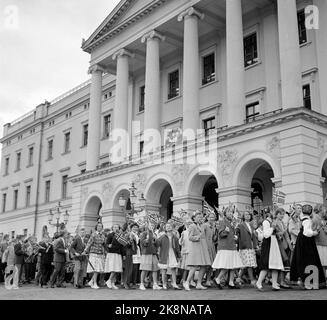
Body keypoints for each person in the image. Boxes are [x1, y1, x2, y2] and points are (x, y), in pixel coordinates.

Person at [290, 204, 326, 289]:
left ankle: (308, 282)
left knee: (305, 260)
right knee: (308, 260)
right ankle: (307, 282)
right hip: (306, 242)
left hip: (303, 241)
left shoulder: (303, 219)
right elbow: (307, 232)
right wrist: (315, 232)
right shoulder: (307, 220)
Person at [212, 208, 244, 289]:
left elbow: (230, 234)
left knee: (233, 265)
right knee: (227, 265)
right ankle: (218, 279)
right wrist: (226, 231)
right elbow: (221, 234)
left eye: (231, 212)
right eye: (229, 212)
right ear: (225, 214)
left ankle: (231, 282)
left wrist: (234, 237)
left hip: (231, 246)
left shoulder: (231, 223)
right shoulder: (222, 221)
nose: (231, 213)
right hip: (225, 246)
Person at [256, 210, 286, 291]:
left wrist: (279, 234)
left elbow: (274, 234)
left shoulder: (273, 221)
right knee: (266, 265)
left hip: (274, 243)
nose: (279, 216)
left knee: (275, 265)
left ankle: (274, 283)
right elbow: (266, 235)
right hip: (268, 244)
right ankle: (258, 282)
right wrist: (272, 227)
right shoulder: (266, 222)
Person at [183, 211, 211, 291]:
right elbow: (190, 237)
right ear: (194, 218)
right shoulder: (192, 226)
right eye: (198, 217)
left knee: (203, 265)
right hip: (195, 247)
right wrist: (197, 237)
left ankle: (199, 283)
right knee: (194, 266)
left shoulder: (202, 226)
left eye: (201, 217)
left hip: (203, 247)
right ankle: (187, 282)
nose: (200, 219)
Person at [157, 222, 181, 290]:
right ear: (165, 228)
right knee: (164, 269)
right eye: (167, 226)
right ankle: (164, 284)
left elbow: (177, 248)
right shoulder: (162, 237)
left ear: (172, 227)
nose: (168, 227)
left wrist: (179, 256)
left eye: (170, 226)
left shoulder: (175, 237)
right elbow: (157, 244)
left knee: (173, 269)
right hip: (164, 254)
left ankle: (174, 283)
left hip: (172, 254)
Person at [236, 211, 258, 287]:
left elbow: (254, 236)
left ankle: (238, 278)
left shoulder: (251, 225)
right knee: (247, 264)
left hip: (251, 246)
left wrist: (255, 245)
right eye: (246, 214)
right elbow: (237, 233)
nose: (247, 216)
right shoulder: (241, 224)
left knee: (246, 264)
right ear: (243, 216)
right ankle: (252, 280)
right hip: (244, 247)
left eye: (249, 214)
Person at [82, 222, 106, 289]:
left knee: (98, 270)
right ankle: (94, 283)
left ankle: (91, 281)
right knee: (95, 269)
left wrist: (105, 253)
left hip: (100, 254)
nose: (100, 227)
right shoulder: (93, 234)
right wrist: (85, 251)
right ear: (96, 227)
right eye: (98, 226)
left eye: (101, 226)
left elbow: (104, 245)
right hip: (94, 253)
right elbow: (89, 243)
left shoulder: (103, 235)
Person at [139, 225, 161, 290]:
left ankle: (155, 284)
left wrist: (155, 239)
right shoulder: (143, 233)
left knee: (155, 269)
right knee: (144, 269)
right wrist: (147, 239)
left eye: (152, 225)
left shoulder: (154, 233)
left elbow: (157, 244)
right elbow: (143, 244)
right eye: (150, 225)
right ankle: (141, 284)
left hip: (153, 253)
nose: (151, 226)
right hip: (146, 253)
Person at [275, 208, 292, 289]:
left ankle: (281, 280)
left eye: (283, 214)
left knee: (285, 263)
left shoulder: (282, 222)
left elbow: (286, 235)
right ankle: (280, 281)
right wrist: (282, 232)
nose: (282, 215)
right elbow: (276, 234)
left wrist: (289, 244)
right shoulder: (275, 222)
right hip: (279, 245)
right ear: (277, 214)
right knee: (284, 262)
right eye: (280, 214)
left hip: (285, 245)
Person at [105, 224, 124, 290]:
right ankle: (109, 280)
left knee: (117, 269)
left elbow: (122, 246)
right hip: (112, 253)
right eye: (114, 227)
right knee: (113, 268)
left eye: (117, 227)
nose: (116, 228)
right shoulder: (110, 235)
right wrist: (108, 246)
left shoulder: (120, 235)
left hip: (118, 253)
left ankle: (112, 283)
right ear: (112, 228)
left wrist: (123, 254)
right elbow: (106, 243)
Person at [202, 213, 217, 287]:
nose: (212, 218)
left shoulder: (214, 226)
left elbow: (214, 238)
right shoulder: (205, 225)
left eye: (213, 217)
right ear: (207, 218)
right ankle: (201, 279)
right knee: (206, 265)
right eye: (210, 217)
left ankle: (208, 280)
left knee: (211, 265)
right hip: (206, 247)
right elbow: (202, 236)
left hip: (212, 246)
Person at [179, 218, 193, 286]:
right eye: (187, 223)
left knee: (192, 267)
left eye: (190, 223)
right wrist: (181, 238)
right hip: (186, 251)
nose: (189, 225)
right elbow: (180, 243)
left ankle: (191, 280)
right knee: (185, 268)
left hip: (192, 251)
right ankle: (184, 280)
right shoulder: (184, 232)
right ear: (185, 225)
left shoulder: (194, 231)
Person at [314, 206, 327, 281]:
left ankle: (324, 279)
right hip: (319, 243)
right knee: (321, 263)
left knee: (324, 263)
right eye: (324, 209)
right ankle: (322, 280)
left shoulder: (323, 220)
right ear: (320, 210)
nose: (325, 211)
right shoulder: (316, 219)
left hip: (325, 242)